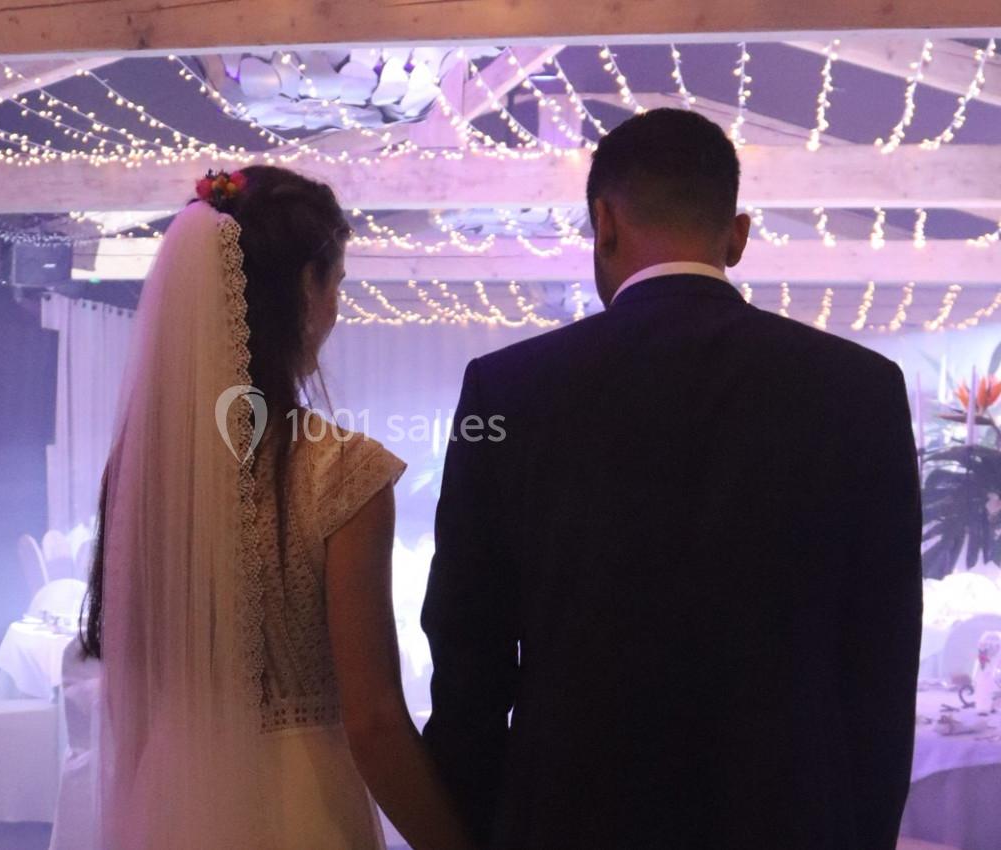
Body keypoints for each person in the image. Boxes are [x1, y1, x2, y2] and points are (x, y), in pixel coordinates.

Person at [422, 109, 922, 849]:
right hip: (789, 820)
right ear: (738, 235)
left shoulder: (504, 390)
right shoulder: (862, 390)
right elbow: (881, 665)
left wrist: (479, 821)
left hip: (570, 818)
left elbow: (468, 651)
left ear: (604, 223)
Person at [82, 165, 473, 850]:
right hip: (300, 807)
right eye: (338, 283)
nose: (336, 306)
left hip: (169, 797)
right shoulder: (341, 471)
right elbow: (375, 718)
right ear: (305, 288)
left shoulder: (139, 471)